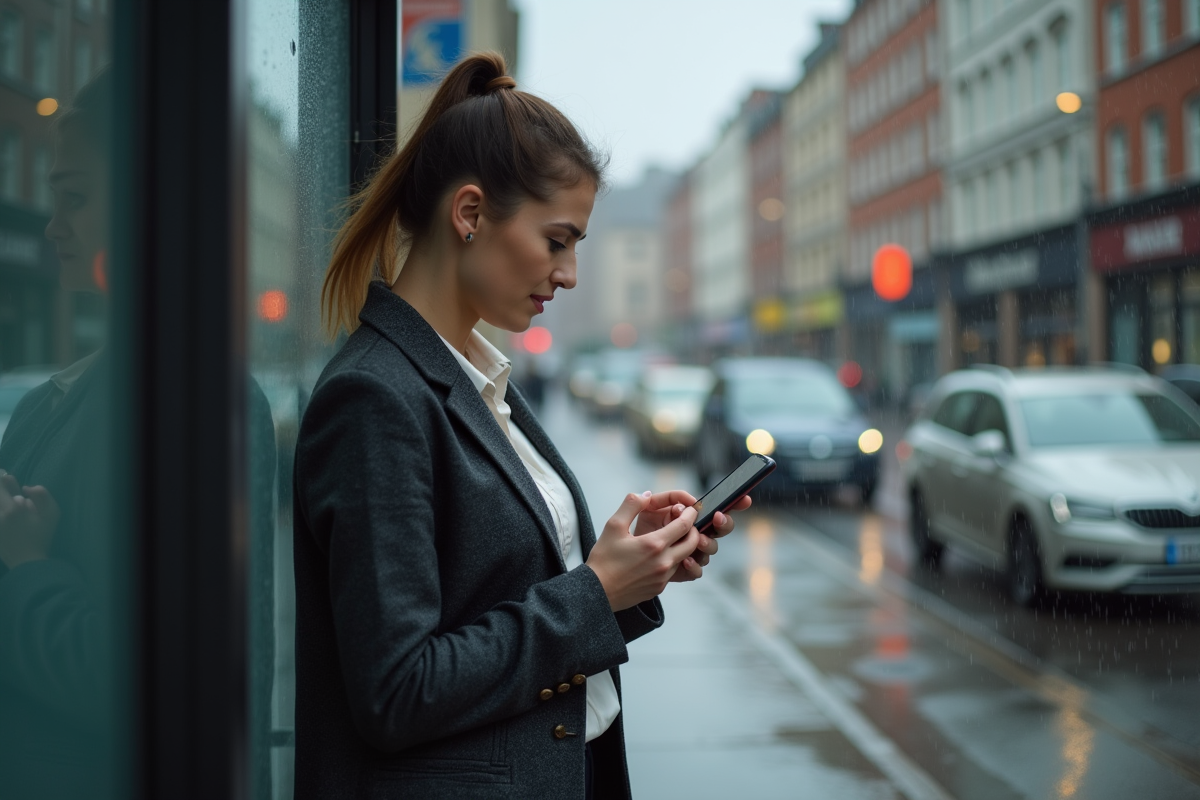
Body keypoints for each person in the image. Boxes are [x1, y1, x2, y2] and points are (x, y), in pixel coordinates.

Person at [292, 52, 750, 799]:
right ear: (469, 214)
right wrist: (596, 592)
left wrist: (628, 574)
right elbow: (398, 690)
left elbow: (496, 600)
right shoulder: (375, 397)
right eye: (557, 240)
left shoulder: (479, 379)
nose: (567, 274)